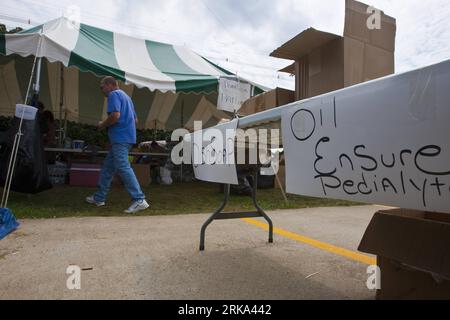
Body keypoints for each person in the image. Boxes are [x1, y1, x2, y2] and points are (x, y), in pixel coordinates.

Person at [86, 76, 149, 213]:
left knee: (123, 166)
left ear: (109, 85)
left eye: (101, 87)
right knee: (108, 168)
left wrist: (103, 125)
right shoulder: (126, 96)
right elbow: (136, 120)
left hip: (120, 138)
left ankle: (139, 199)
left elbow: (115, 116)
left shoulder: (113, 95)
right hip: (126, 138)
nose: (101, 90)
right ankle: (99, 197)